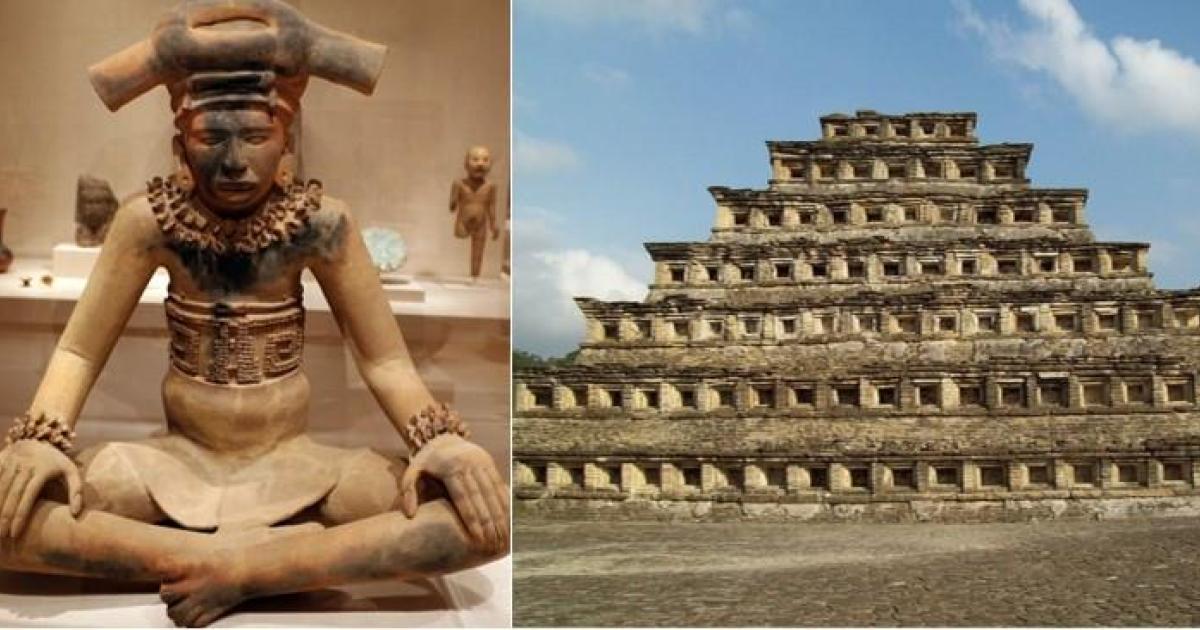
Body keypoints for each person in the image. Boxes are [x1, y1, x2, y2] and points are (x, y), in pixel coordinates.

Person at [0, 2, 508, 627]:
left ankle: (240, 570)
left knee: (483, 521)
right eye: (212, 138)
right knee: (5, 512)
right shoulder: (148, 221)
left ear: (286, 140)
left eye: (256, 137)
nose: (235, 161)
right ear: (179, 142)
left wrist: (441, 442)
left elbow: (385, 360)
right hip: (172, 463)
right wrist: (38, 441)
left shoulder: (323, 224)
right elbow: (78, 353)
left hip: (298, 464)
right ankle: (252, 562)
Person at [449, 146, 499, 279]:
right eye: (475, 159)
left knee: (478, 252)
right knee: (458, 243)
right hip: (463, 222)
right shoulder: (459, 184)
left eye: (485, 160)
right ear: (466, 164)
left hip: (481, 223)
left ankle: (474, 276)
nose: (480, 164)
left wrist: (493, 225)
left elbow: (491, 207)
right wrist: (454, 200)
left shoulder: (490, 186)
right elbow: (452, 206)